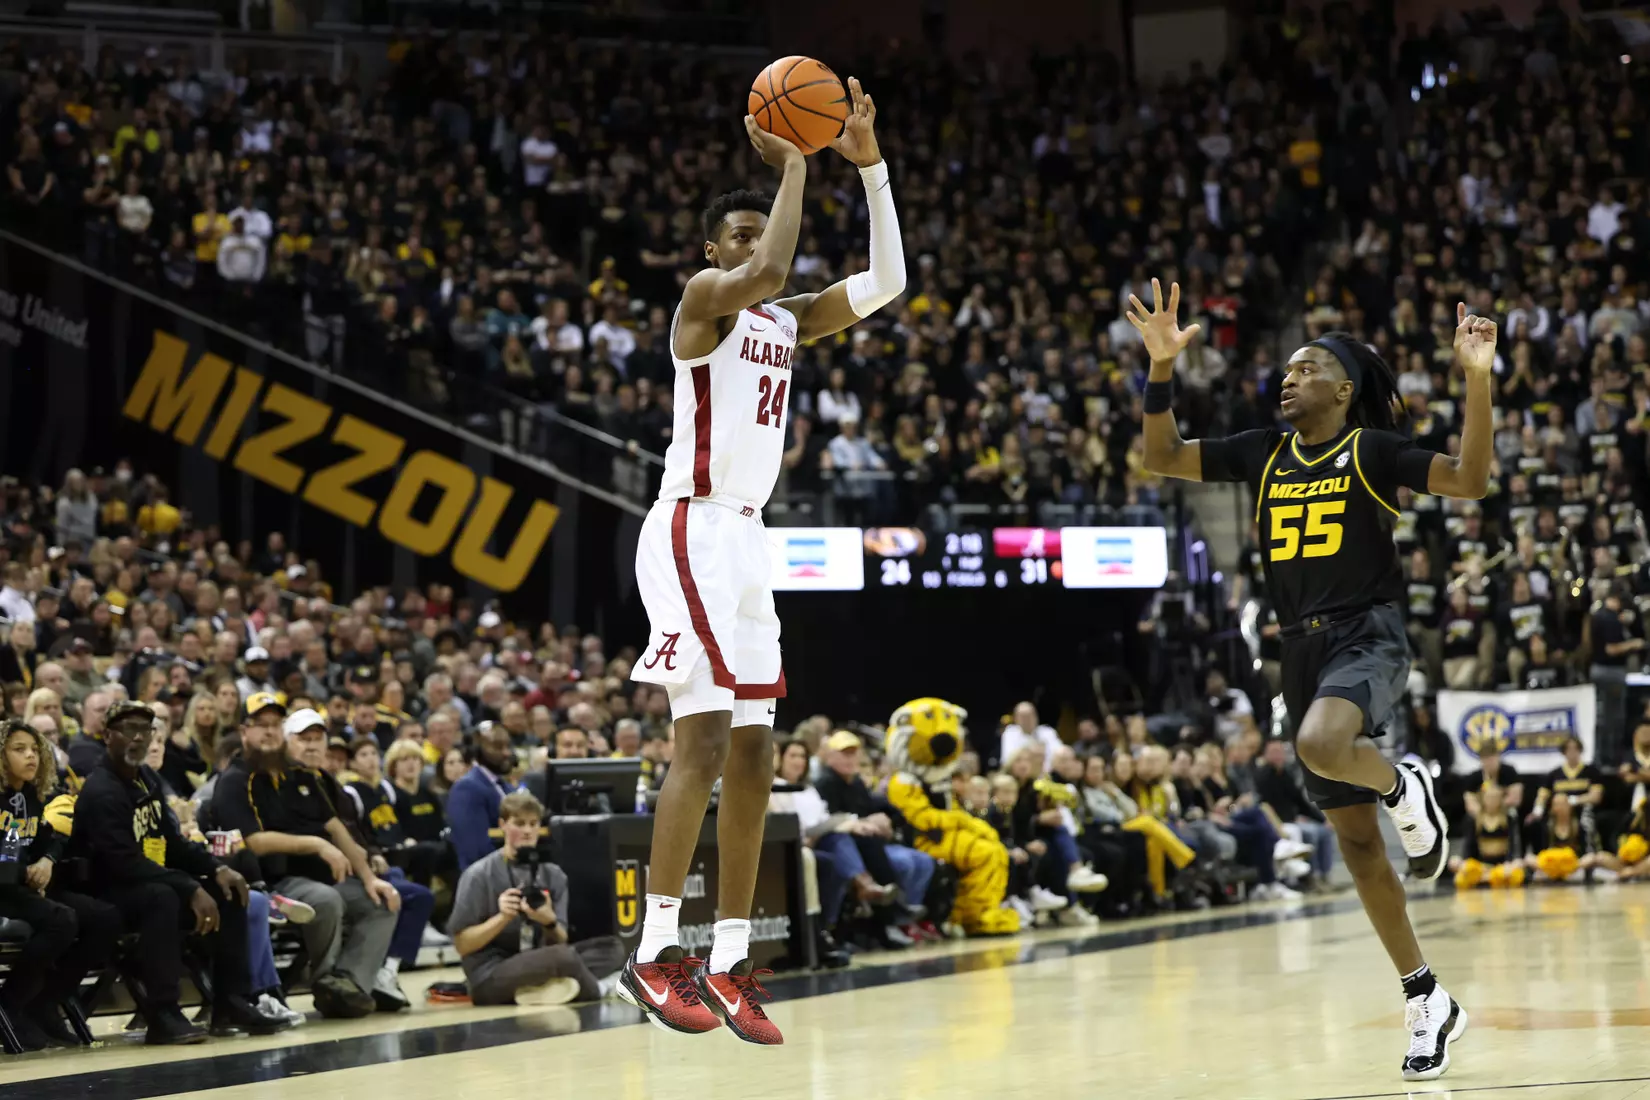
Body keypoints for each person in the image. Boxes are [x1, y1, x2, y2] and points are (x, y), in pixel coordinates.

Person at [1131, 279, 1499, 1082]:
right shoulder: (1265, 450)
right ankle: (1426, 996)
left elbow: (1470, 481)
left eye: (1306, 368)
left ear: (1344, 388)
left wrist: (1477, 379)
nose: (1289, 378)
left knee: (1325, 743)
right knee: (1359, 846)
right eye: (1287, 369)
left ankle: (1405, 784)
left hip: (1367, 632)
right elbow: (1157, 456)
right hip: (1297, 654)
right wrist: (1160, 369)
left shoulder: (1369, 451)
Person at [622, 79, 904, 1046]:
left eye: (755, 235)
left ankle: (730, 958)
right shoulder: (705, 302)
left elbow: (889, 284)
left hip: (748, 538)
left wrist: (866, 168)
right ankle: (655, 949)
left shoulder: (787, 322)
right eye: (732, 237)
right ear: (711, 253)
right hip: (691, 527)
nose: (751, 250)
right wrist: (792, 164)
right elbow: (775, 260)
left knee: (756, 754)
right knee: (698, 744)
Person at [71, 702, 284, 1042]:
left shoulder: (148, 779)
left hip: (149, 879)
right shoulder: (102, 790)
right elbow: (122, 863)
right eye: (129, 729)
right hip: (106, 889)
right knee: (163, 897)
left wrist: (216, 869)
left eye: (147, 729)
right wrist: (188, 887)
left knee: (230, 890)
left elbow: (172, 843)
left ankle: (231, 1001)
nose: (139, 737)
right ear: (108, 736)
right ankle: (162, 1013)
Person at [209, 695, 400, 1019]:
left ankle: (345, 982)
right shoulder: (235, 780)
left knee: (383, 901)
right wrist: (315, 845)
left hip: (321, 877)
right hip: (272, 882)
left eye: (275, 725)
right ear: (245, 731)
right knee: (325, 900)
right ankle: (327, 979)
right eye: (261, 725)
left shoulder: (300, 775)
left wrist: (370, 878)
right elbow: (251, 842)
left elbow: (337, 828)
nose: (269, 732)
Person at [0, 718, 120, 1050]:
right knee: (61, 919)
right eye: (18, 749)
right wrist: (27, 869)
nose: (31, 756)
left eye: (34, 749)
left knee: (104, 918)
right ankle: (11, 1003)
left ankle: (48, 1001)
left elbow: (51, 840)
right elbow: (6, 859)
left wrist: (47, 861)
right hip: (4, 890)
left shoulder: (30, 796)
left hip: (22, 888)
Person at [449, 791, 625, 1005]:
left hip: (538, 959)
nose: (527, 831)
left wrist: (548, 921)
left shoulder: (554, 874)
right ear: (503, 824)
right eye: (519, 823)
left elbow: (560, 939)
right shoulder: (479, 875)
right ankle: (599, 988)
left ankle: (541, 990)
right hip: (491, 973)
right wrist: (502, 918)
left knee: (612, 948)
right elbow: (462, 945)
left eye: (533, 824)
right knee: (563, 958)